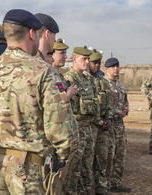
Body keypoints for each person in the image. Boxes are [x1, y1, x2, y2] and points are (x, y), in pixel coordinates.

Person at [0, 9, 76, 194]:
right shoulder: (44, 72)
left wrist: (1, 149)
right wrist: (61, 159)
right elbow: (62, 131)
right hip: (30, 170)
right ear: (31, 33)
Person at [64, 46, 96, 194]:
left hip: (89, 127)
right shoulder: (68, 79)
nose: (87, 62)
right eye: (84, 59)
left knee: (87, 165)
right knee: (74, 168)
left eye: (88, 59)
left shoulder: (88, 79)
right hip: (76, 128)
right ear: (75, 59)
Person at [84, 49, 112, 195]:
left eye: (98, 63)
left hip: (103, 127)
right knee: (88, 160)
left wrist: (107, 119)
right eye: (94, 62)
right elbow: (87, 107)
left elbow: (108, 104)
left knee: (102, 158)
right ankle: (88, 189)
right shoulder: (84, 81)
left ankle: (101, 188)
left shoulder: (103, 81)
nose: (97, 65)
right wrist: (99, 122)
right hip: (90, 127)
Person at [105, 58, 131, 193]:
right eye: (112, 67)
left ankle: (116, 182)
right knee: (109, 156)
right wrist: (117, 112)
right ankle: (106, 185)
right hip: (109, 127)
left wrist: (126, 109)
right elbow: (103, 106)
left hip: (120, 126)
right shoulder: (103, 84)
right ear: (107, 69)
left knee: (120, 155)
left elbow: (125, 101)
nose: (116, 69)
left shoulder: (121, 85)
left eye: (117, 66)